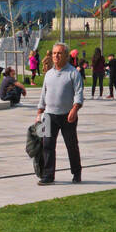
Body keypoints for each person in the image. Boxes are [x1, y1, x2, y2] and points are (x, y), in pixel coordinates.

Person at [36, 43, 83, 185]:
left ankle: (76, 172)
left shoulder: (73, 73)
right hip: (49, 116)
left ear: (66, 56)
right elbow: (43, 94)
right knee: (47, 145)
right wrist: (39, 111)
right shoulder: (49, 74)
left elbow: (79, 93)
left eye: (59, 53)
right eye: (54, 53)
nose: (56, 56)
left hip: (67, 116)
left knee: (71, 145)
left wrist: (74, 110)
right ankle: (48, 175)